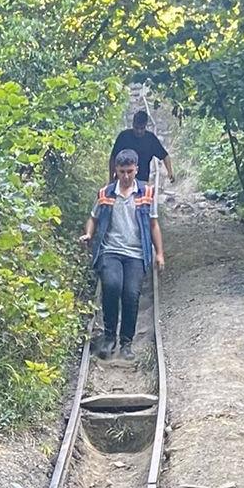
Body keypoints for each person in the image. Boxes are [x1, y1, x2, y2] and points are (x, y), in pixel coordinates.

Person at [80, 149, 165, 356]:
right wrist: (89, 234)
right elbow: (93, 217)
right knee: (111, 285)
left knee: (131, 294)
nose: (125, 176)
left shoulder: (147, 193)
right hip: (111, 250)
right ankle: (110, 337)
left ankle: (126, 342)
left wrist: (159, 253)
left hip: (136, 252)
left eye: (129, 171)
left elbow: (153, 224)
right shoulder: (106, 193)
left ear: (136, 169)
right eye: (121, 172)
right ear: (115, 171)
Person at [109, 109, 174, 184]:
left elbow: (165, 156)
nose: (139, 131)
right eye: (136, 128)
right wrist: (111, 178)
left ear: (145, 125)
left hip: (142, 181)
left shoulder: (150, 139)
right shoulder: (123, 137)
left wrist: (170, 172)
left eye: (142, 128)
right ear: (133, 124)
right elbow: (113, 158)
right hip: (122, 180)